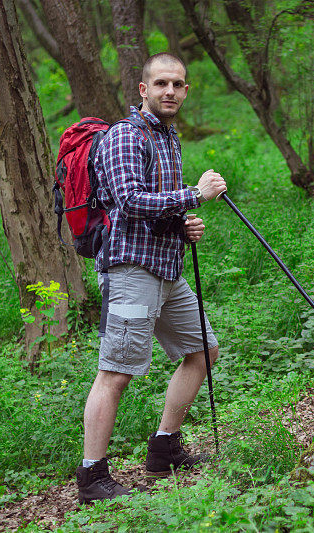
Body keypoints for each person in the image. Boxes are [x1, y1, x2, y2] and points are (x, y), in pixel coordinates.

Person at [75, 52, 227, 504]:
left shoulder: (168, 136)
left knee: (202, 350)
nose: (170, 92)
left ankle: (164, 449)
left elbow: (156, 208)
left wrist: (182, 223)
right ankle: (92, 476)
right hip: (130, 271)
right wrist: (194, 195)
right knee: (116, 373)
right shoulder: (127, 135)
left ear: (185, 90)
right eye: (161, 84)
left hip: (166, 268)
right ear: (143, 89)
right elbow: (128, 200)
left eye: (178, 85)